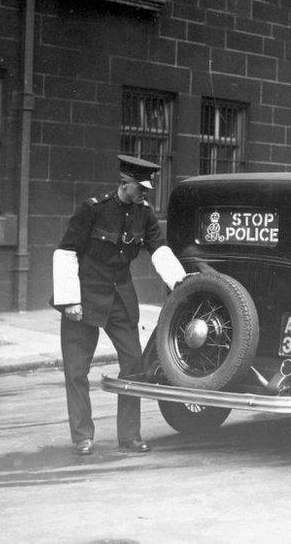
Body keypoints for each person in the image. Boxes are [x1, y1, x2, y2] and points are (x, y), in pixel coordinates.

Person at [51, 154, 186, 455]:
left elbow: (159, 249)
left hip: (121, 298)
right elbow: (66, 252)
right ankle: (83, 437)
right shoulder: (93, 209)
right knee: (76, 369)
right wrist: (70, 300)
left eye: (147, 191)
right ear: (126, 183)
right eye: (141, 188)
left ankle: (130, 435)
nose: (145, 194)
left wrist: (181, 281)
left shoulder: (144, 214)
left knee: (134, 364)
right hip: (85, 295)